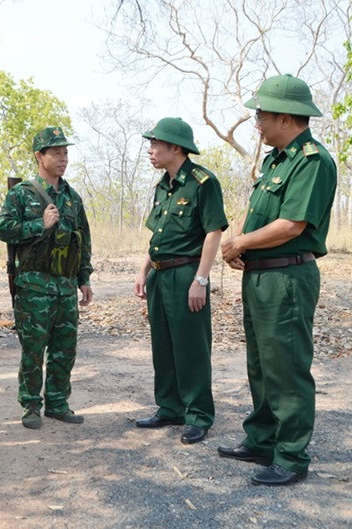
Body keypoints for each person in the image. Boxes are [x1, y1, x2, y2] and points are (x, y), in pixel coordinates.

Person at [219, 74, 337, 486]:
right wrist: (244, 249)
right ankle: (263, 440)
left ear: (286, 118)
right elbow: (265, 219)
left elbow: (291, 225)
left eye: (262, 116)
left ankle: (290, 456)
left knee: (286, 367)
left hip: (287, 276)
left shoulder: (311, 161)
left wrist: (239, 242)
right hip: (262, 275)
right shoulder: (277, 160)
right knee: (261, 364)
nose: (257, 124)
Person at [133, 118, 228, 445]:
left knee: (191, 347)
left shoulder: (203, 183)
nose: (150, 150)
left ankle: (198, 415)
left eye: (155, 144)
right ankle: (170, 407)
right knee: (163, 345)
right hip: (160, 274)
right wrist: (143, 270)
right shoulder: (163, 185)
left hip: (187, 273)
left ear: (175, 147)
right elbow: (158, 235)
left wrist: (201, 279)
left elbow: (213, 232)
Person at [0, 126, 93, 429]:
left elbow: (83, 240)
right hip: (34, 286)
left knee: (65, 349)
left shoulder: (72, 197)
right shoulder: (21, 193)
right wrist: (40, 224)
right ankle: (30, 405)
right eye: (56, 153)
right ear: (40, 156)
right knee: (33, 350)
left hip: (65, 286)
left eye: (66, 153)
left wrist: (84, 278)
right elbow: (3, 230)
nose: (63, 158)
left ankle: (58, 403)